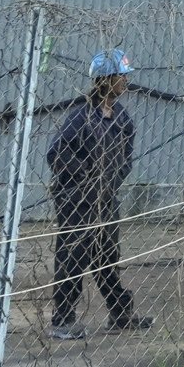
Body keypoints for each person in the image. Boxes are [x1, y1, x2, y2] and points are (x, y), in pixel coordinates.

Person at [44, 49, 146, 339]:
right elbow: (56, 153)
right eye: (121, 76)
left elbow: (126, 159)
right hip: (75, 199)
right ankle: (62, 319)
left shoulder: (121, 118)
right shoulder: (81, 117)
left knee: (106, 256)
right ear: (106, 79)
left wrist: (110, 181)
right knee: (73, 257)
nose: (126, 81)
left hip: (105, 199)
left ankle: (120, 312)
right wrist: (87, 175)